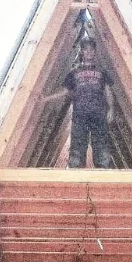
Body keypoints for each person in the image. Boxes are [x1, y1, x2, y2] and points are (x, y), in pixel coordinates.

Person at [45, 36, 114, 169]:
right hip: (80, 115)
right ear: (82, 51)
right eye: (86, 49)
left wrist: (111, 108)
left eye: (91, 49)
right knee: (77, 146)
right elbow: (64, 91)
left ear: (95, 51)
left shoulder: (101, 71)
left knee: (101, 146)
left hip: (99, 114)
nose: (89, 52)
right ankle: (75, 172)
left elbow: (108, 90)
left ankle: (104, 173)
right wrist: (46, 99)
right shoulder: (74, 72)